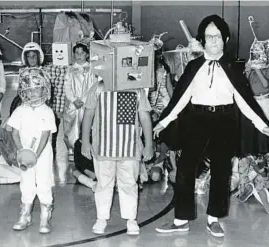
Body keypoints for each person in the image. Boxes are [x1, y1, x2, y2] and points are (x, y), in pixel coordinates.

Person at [153, 15, 269, 238]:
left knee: (221, 171)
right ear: (202, 40)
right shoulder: (194, 66)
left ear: (225, 39)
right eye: (208, 37)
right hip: (196, 120)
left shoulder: (233, 68)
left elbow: (245, 101)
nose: (213, 41)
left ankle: (213, 219)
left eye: (217, 36)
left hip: (224, 121)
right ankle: (180, 220)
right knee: (186, 169)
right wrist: (164, 122)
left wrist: (261, 125)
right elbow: (181, 98)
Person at [81, 80, 153, 235]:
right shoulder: (98, 88)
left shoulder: (137, 88)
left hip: (130, 146)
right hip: (102, 146)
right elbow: (88, 114)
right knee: (103, 183)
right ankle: (101, 218)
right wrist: (85, 141)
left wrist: (149, 144)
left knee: (129, 182)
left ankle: (131, 218)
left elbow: (145, 117)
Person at [8, 67, 56, 233]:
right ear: (24, 92)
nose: (34, 93)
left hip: (42, 154)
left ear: (44, 89)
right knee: (26, 182)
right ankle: (25, 215)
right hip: (25, 155)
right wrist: (23, 152)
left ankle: (45, 216)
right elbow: (14, 133)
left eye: (37, 89)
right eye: (30, 90)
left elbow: (45, 136)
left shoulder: (48, 111)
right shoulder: (20, 110)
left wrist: (35, 154)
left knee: (44, 182)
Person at [63, 42, 97, 160]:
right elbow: (67, 87)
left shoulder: (92, 69)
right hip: (73, 105)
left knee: (87, 125)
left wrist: (83, 100)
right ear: (73, 55)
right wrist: (73, 100)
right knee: (70, 126)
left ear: (87, 55)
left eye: (82, 53)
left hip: (87, 103)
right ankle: (71, 149)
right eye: (76, 53)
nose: (79, 55)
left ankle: (86, 148)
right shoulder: (70, 70)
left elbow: (93, 86)